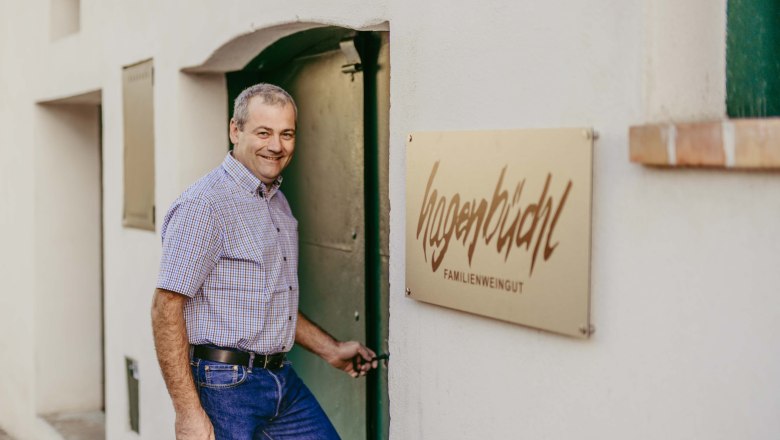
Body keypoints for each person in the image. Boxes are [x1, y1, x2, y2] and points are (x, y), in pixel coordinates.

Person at [151, 83, 377, 440]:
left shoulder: (277, 202)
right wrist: (187, 412)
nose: (276, 145)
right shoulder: (204, 205)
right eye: (263, 132)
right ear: (235, 130)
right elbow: (166, 307)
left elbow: (271, 304)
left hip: (279, 379)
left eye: (286, 134)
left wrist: (331, 350)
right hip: (223, 386)